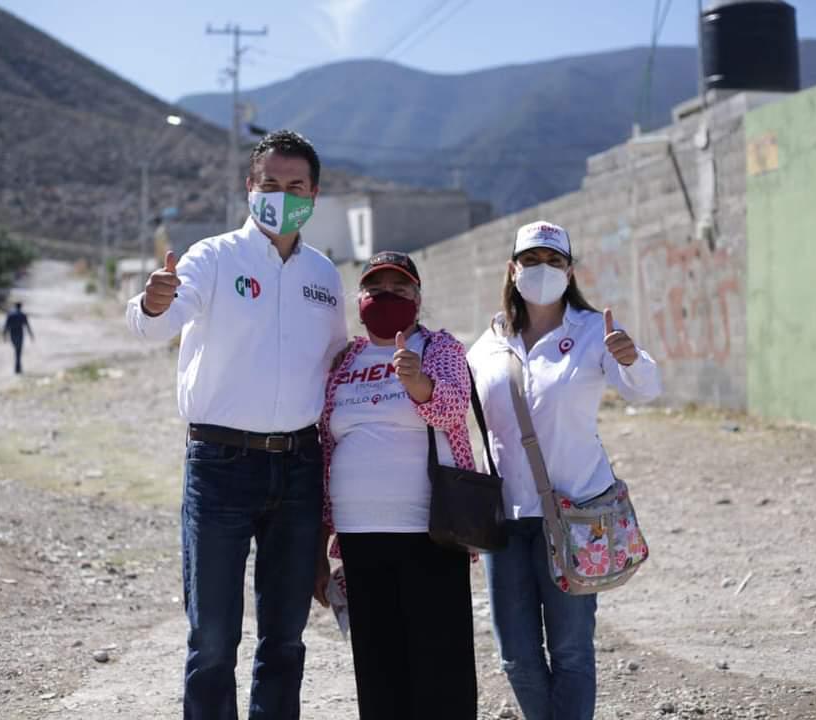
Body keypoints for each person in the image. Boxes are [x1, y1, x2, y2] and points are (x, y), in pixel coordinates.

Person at [126, 130, 347, 720]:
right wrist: (153, 302)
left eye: (294, 186)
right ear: (250, 188)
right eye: (269, 184)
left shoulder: (325, 276)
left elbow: (336, 371)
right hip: (220, 468)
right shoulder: (213, 258)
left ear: (314, 193)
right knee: (214, 639)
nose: (281, 194)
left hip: (299, 468)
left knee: (285, 639)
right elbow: (155, 323)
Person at [467, 221, 662, 720]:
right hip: (506, 520)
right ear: (512, 270)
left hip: (577, 517)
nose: (542, 270)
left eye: (554, 261)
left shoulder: (594, 332)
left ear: (570, 271)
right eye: (531, 260)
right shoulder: (486, 347)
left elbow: (644, 389)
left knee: (572, 651)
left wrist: (632, 357)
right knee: (515, 654)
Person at [315, 251, 478, 720]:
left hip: (431, 531)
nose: (387, 297)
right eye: (375, 290)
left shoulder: (441, 347)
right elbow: (329, 445)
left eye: (399, 290)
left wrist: (418, 383)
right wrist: (321, 537)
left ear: (418, 299)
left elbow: (453, 410)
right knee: (378, 669)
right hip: (359, 537)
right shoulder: (346, 359)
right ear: (359, 299)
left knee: (440, 671)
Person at [3, 302, 34, 374]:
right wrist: (31, 335)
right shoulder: (23, 315)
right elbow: (27, 326)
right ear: (21, 307)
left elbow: (6, 326)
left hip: (13, 335)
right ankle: (18, 368)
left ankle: (17, 368)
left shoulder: (10, 315)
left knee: (16, 350)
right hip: (20, 335)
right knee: (18, 351)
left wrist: (4, 335)